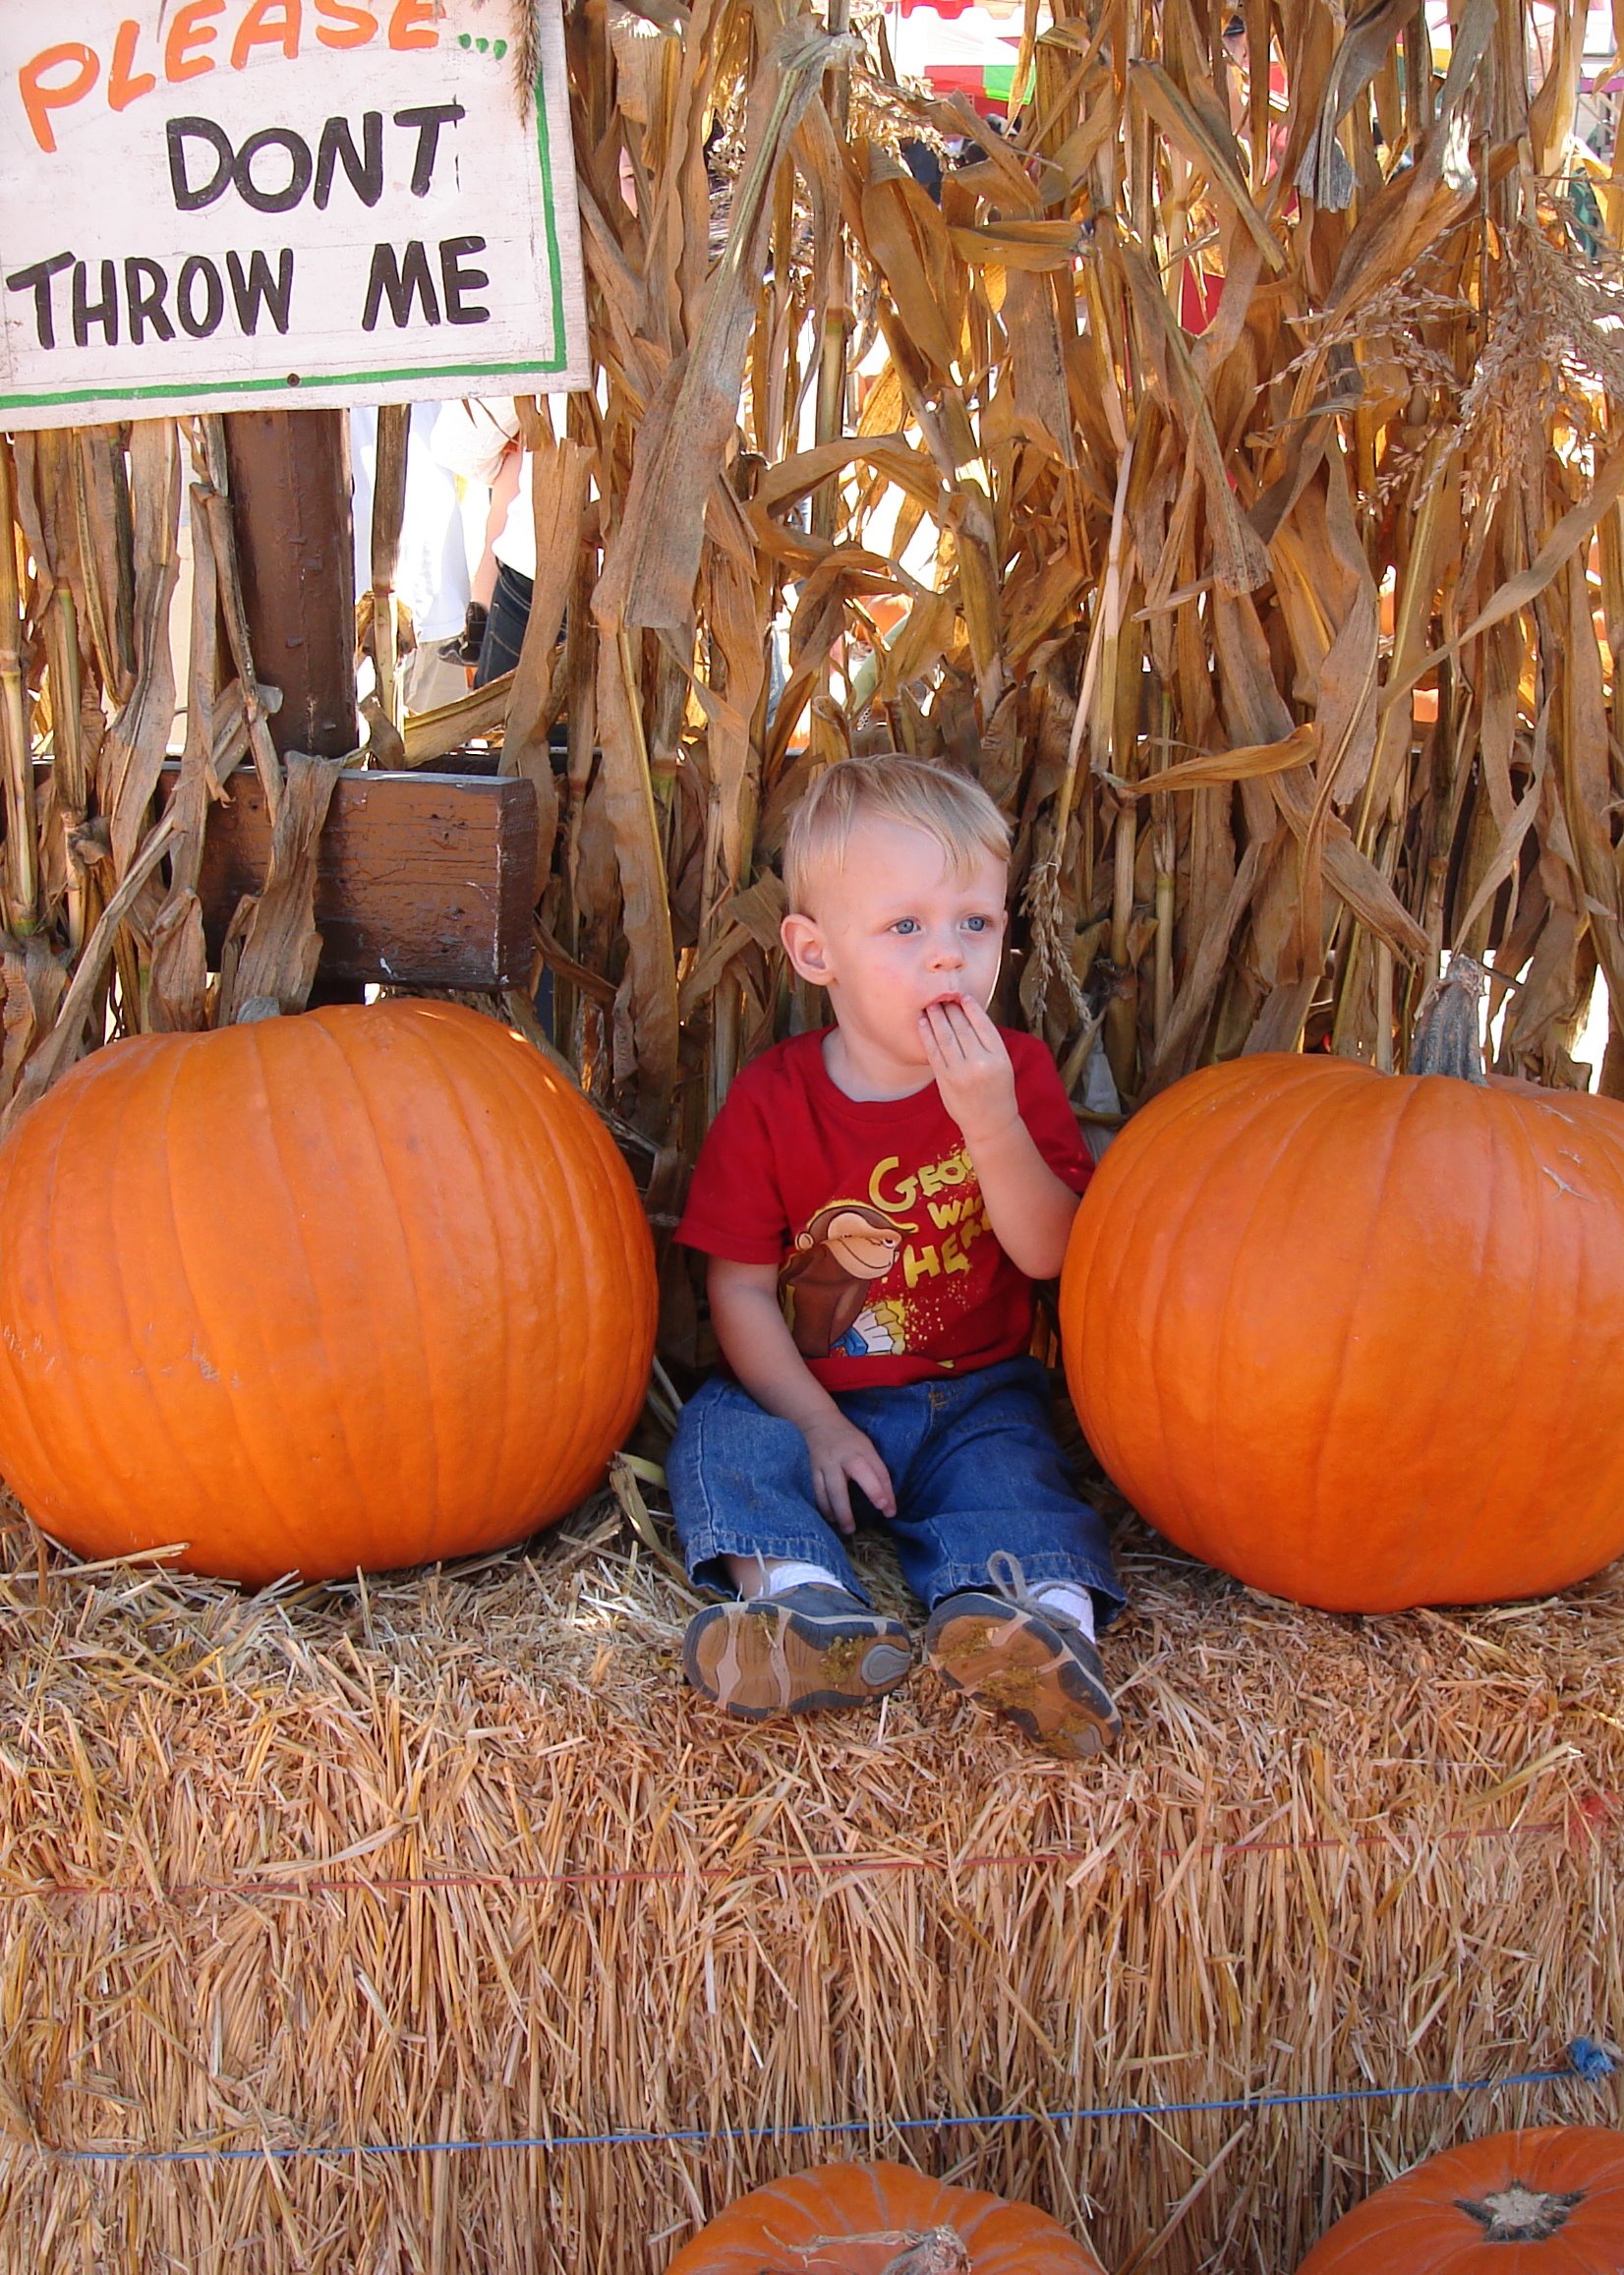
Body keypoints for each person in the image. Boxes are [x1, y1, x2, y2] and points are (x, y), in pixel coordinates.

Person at [667, 755, 1126, 1760]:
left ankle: (1038, 1632)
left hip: (971, 1392)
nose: (948, 957)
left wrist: (991, 1123)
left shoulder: (1015, 1076)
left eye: (976, 922)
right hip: (807, 1389)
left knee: (1017, 1480)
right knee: (720, 1437)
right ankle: (799, 1605)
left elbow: (1050, 1255)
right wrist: (814, 1422)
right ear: (814, 951)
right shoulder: (772, 1101)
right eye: (906, 927)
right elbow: (738, 1290)